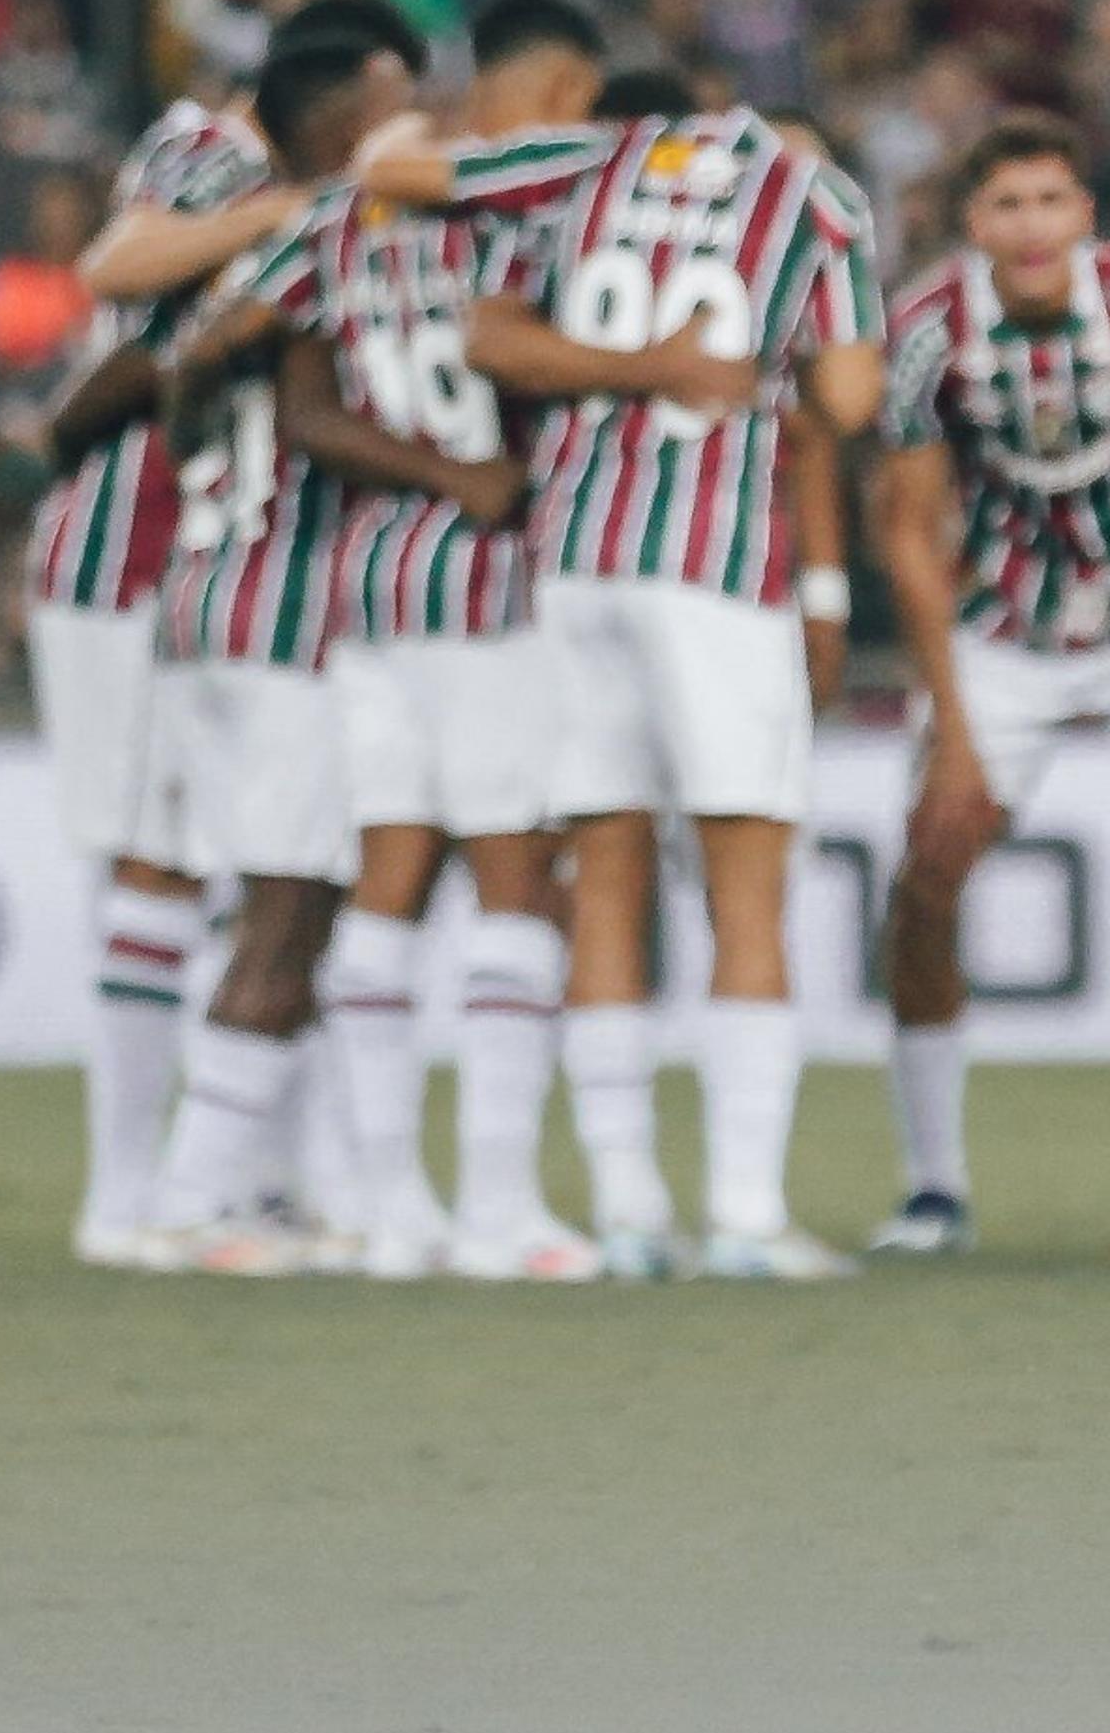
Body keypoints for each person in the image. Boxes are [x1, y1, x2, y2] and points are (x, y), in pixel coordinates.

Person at [365, 73, 886, 1281]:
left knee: (603, 874)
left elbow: (394, 169)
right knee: (743, 883)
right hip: (715, 566)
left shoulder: (581, 166)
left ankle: (630, 1204)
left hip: (579, 557)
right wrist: (740, 366)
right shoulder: (812, 192)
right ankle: (747, 1216)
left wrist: (614, 359)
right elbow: (850, 398)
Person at [312, 0, 753, 1283]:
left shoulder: (360, 210)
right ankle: (499, 1205)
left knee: (387, 879)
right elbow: (507, 353)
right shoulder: (535, 207)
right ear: (565, 93)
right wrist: (659, 368)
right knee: (519, 883)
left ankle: (387, 1209)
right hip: (495, 576)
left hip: (368, 577)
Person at [122, 0, 489, 1275]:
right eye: (398, 101)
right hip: (282, 611)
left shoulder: (260, 267)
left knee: (296, 906)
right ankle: (191, 1199)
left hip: (214, 594)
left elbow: (186, 372)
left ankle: (295, 1189)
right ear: (344, 119)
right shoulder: (332, 234)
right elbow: (304, 404)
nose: (424, 120)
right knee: (290, 908)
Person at [864, 114, 1110, 1261]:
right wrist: (956, 728)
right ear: (971, 224)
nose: (1029, 227)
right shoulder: (926, 334)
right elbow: (910, 532)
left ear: (1082, 212)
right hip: (1004, 630)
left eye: (1049, 201)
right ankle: (933, 1185)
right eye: (1005, 207)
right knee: (931, 862)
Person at [24, 91, 298, 1269]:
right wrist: (284, 210)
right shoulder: (215, 148)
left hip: (221, 559)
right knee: (154, 862)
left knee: (245, 869)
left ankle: (238, 1179)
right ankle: (128, 1196)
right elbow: (117, 260)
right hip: (125, 552)